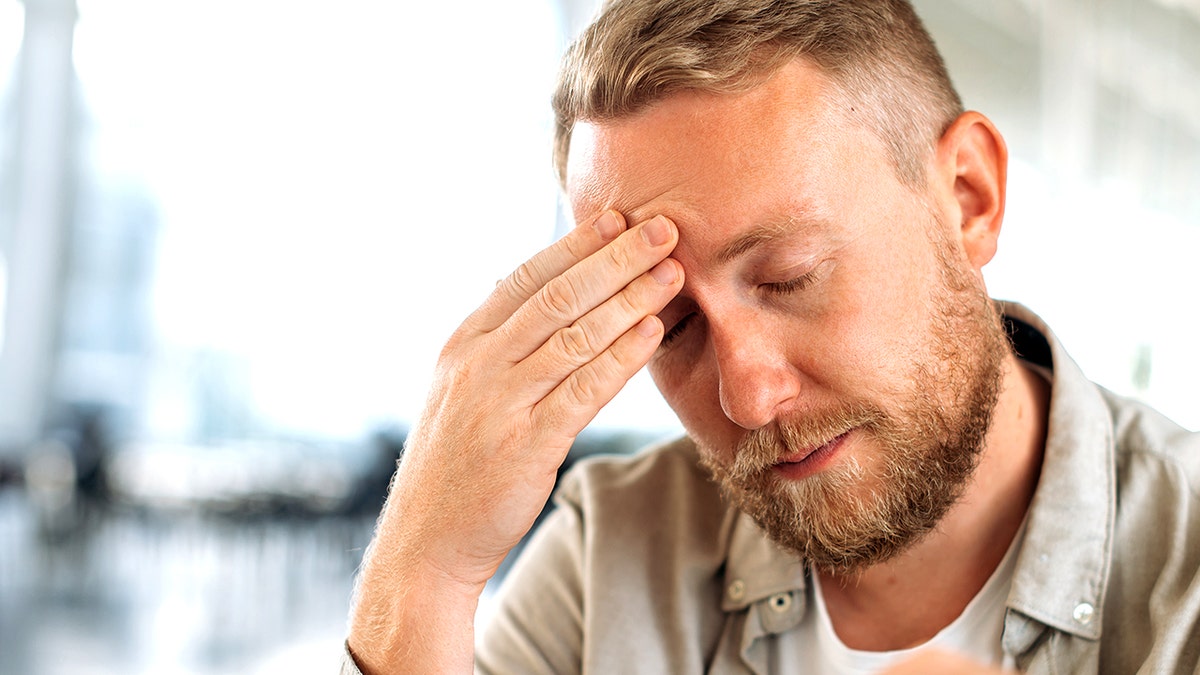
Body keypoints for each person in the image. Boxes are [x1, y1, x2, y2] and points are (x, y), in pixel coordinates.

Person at [342, 0, 1200, 672]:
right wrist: (422, 573)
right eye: (671, 326)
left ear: (968, 198)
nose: (747, 394)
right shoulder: (607, 562)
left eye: (790, 276)